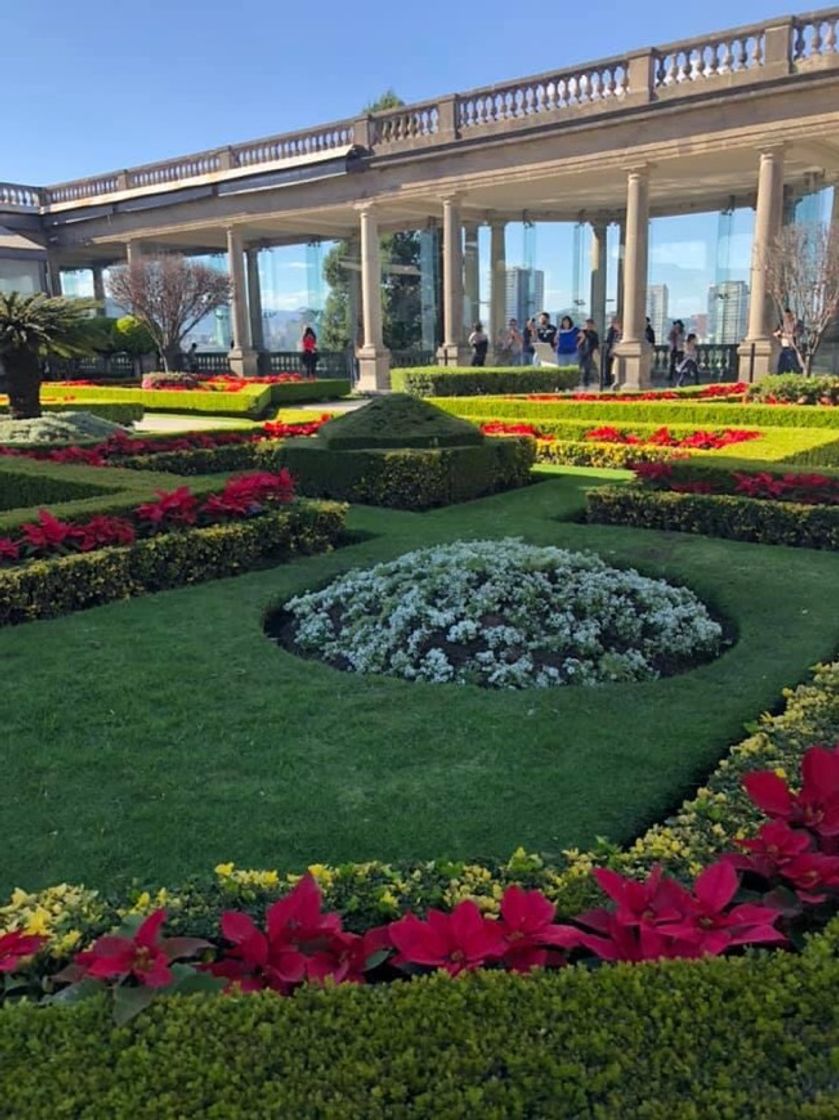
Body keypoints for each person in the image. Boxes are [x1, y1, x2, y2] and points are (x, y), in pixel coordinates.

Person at [774, 307, 802, 373]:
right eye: (786, 316)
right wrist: (780, 334)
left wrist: (786, 335)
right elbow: (775, 333)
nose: (787, 317)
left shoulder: (797, 323)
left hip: (793, 347)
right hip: (783, 346)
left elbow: (798, 333)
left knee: (793, 363)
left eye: (789, 315)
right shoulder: (782, 323)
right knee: (782, 365)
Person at [577, 319, 600, 388]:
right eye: (587, 324)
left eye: (590, 324)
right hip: (581, 351)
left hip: (589, 352)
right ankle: (577, 381)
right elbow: (577, 342)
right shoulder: (582, 332)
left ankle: (585, 382)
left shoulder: (594, 334)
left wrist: (598, 351)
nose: (589, 326)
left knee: (587, 368)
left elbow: (596, 344)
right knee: (579, 367)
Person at [603, 316, 621, 388]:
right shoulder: (611, 330)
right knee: (608, 365)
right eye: (613, 323)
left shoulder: (623, 331)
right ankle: (607, 381)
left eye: (615, 323)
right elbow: (608, 340)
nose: (614, 325)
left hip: (619, 352)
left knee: (617, 368)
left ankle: (617, 381)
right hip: (611, 350)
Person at [667, 320, 685, 384]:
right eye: (675, 326)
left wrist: (678, 333)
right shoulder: (672, 332)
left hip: (680, 349)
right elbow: (668, 338)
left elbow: (682, 339)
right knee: (672, 363)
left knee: (680, 364)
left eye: (678, 326)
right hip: (673, 349)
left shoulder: (682, 332)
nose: (676, 327)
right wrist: (672, 332)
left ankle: (680, 376)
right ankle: (670, 376)